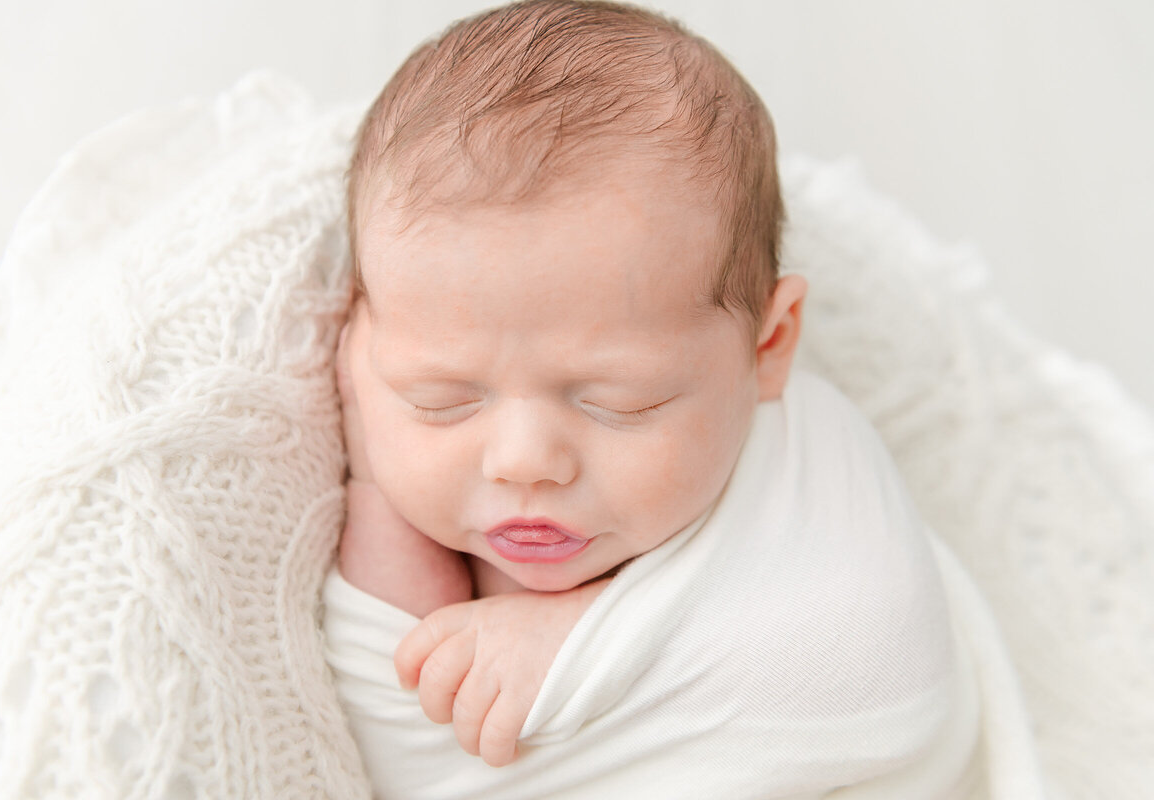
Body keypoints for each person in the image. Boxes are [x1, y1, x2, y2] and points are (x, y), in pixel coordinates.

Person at [321, 2, 1039, 797]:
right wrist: (371, 460)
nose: (525, 459)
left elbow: (882, 665)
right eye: (443, 397)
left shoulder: (809, 471)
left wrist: (576, 644)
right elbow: (393, 724)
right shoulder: (408, 481)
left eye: (619, 402)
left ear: (768, 347)